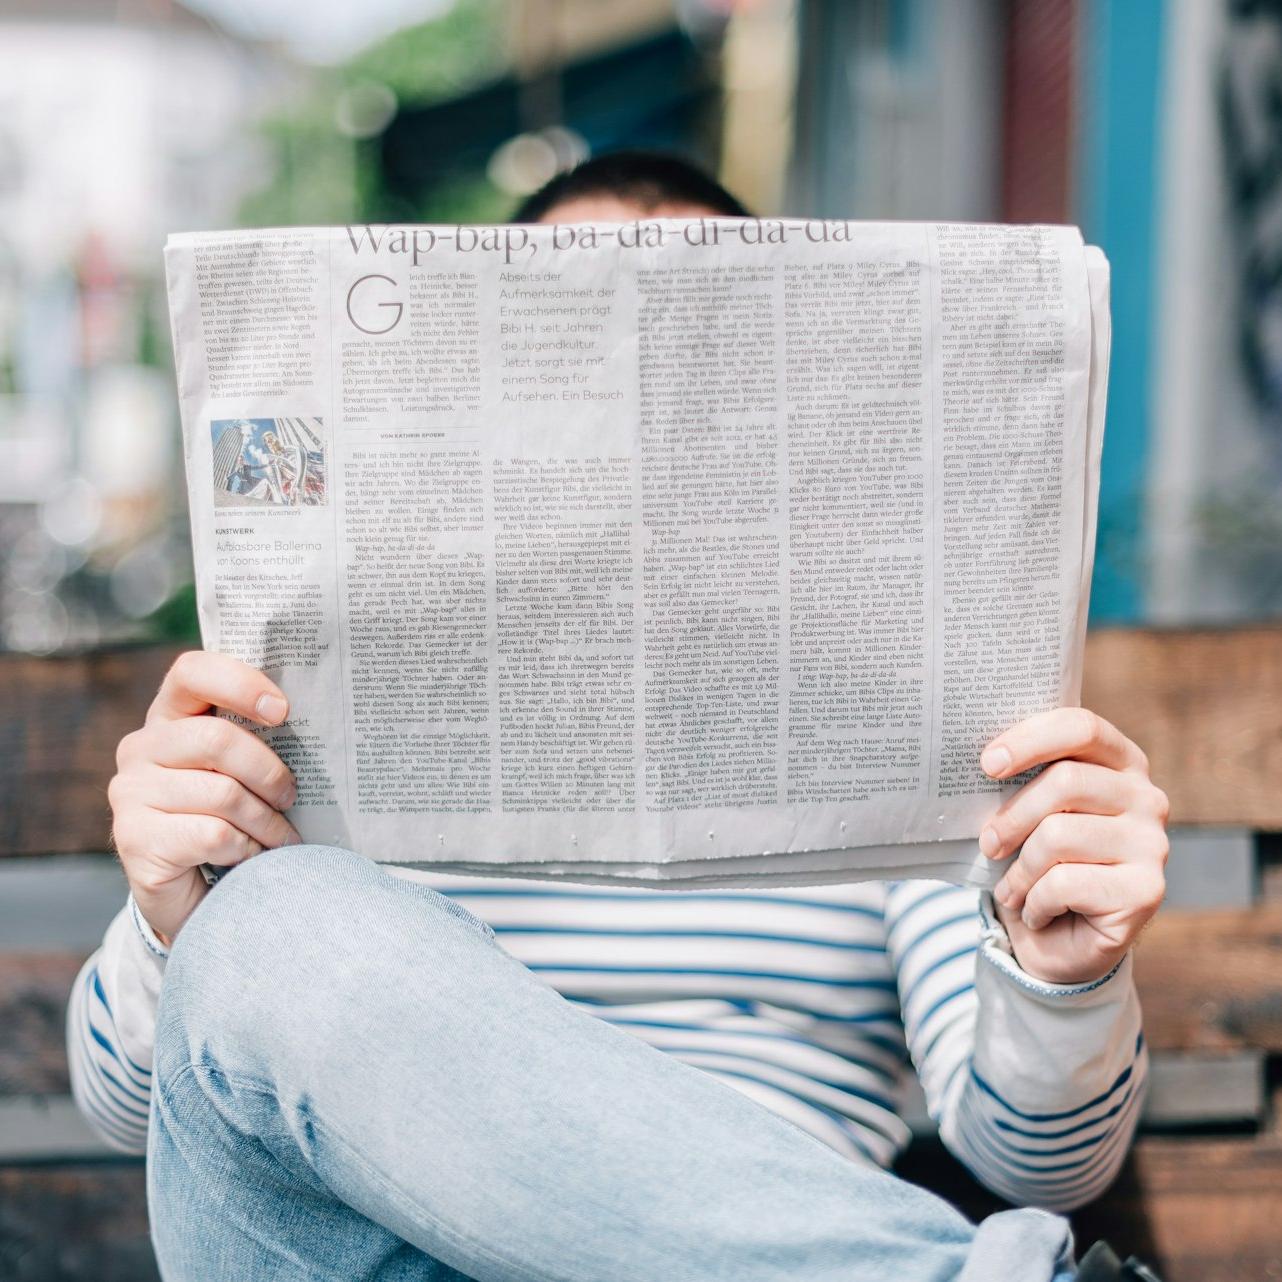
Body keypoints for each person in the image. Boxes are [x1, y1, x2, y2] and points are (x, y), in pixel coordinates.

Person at [71, 153, 1170, 1282]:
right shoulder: (308, 701)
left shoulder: (901, 713)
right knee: (273, 921)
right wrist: (173, 916)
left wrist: (1063, 976)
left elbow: (1039, 1160)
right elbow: (132, 1109)